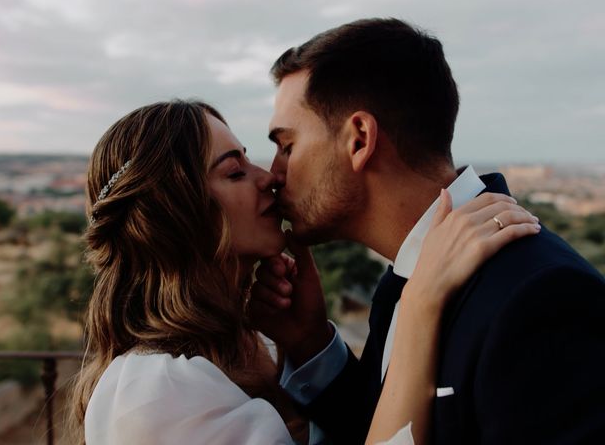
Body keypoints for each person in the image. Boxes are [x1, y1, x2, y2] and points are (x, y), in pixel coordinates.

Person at [70, 99, 538, 444]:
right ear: (176, 216)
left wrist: (309, 339)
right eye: (234, 172)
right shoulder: (153, 393)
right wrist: (420, 307)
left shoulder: (259, 345)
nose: (268, 176)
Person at [251, 17, 605, 444]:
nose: (273, 174)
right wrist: (309, 340)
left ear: (359, 139)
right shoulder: (408, 275)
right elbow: (382, 426)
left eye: (287, 146)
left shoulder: (540, 295)